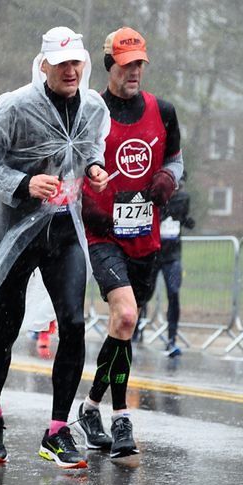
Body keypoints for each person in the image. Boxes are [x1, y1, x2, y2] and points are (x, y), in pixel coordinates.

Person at [0, 26, 110, 468]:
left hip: (64, 231)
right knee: (7, 328)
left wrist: (95, 167)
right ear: (43, 65)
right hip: (18, 232)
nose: (69, 71)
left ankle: (58, 430)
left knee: (75, 324)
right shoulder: (14, 107)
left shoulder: (94, 106)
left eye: (76, 63)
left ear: (83, 65)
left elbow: (92, 144)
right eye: (60, 63)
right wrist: (24, 183)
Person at [75, 27, 184, 458]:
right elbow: (70, 165)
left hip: (145, 236)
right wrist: (90, 207)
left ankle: (90, 407)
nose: (135, 71)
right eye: (127, 64)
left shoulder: (164, 110)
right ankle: (122, 421)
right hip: (102, 235)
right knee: (124, 315)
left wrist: (166, 179)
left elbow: (176, 162)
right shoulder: (89, 111)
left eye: (140, 63)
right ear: (110, 66)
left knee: (124, 328)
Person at [157, 171, 195, 357]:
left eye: (180, 183)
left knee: (173, 293)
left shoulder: (184, 198)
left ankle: (172, 338)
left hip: (172, 255)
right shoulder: (156, 196)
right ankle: (137, 329)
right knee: (143, 293)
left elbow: (184, 219)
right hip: (153, 252)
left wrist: (186, 221)